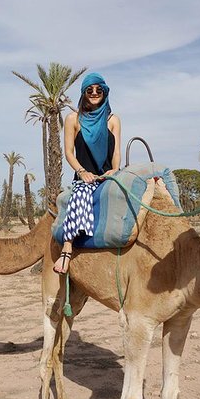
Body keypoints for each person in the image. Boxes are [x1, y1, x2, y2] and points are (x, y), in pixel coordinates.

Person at [53, 73, 121, 274]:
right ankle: (67, 248)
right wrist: (82, 172)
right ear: (83, 93)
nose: (94, 93)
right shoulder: (73, 119)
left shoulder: (113, 120)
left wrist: (115, 170)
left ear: (104, 92)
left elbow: (116, 151)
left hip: (108, 174)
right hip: (85, 177)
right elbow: (68, 152)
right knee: (81, 193)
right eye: (89, 90)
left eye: (98, 90)